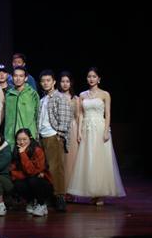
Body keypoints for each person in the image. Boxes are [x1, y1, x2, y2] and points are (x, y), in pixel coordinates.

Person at [67, 68, 126, 205]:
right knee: (88, 160)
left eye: (94, 76)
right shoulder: (82, 95)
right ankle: (91, 192)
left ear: (99, 79)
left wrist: (106, 131)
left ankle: (99, 194)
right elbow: (80, 114)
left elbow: (108, 114)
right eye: (89, 76)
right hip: (87, 129)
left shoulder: (105, 94)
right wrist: (79, 132)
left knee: (100, 160)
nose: (91, 79)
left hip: (99, 128)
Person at [38, 69, 72, 212]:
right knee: (46, 168)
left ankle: (60, 197)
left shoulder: (59, 97)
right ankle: (50, 196)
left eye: (48, 80)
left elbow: (66, 117)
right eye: (43, 81)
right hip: (43, 136)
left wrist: (60, 134)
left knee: (56, 168)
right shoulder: (43, 99)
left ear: (53, 82)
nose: (45, 83)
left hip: (53, 135)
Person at [10, 129, 54, 217]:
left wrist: (23, 154)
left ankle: (41, 204)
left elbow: (31, 171)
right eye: (19, 140)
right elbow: (13, 172)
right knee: (18, 184)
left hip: (43, 184)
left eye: (24, 139)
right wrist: (28, 175)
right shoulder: (16, 151)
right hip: (29, 179)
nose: (21, 142)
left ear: (30, 138)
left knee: (33, 180)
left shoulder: (37, 150)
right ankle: (31, 202)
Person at [4, 66, 39, 149]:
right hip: (10, 137)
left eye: (21, 76)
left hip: (27, 137)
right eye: (15, 76)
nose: (18, 78)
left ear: (26, 78)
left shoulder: (32, 94)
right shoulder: (8, 94)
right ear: (12, 77)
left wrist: (36, 134)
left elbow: (38, 115)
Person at [59, 71, 80, 200]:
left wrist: (79, 133)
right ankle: (62, 191)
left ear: (71, 83)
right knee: (62, 161)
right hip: (60, 129)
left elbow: (78, 117)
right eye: (63, 81)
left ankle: (71, 191)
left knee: (72, 161)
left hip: (72, 129)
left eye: (67, 81)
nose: (65, 84)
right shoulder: (56, 96)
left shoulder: (76, 99)